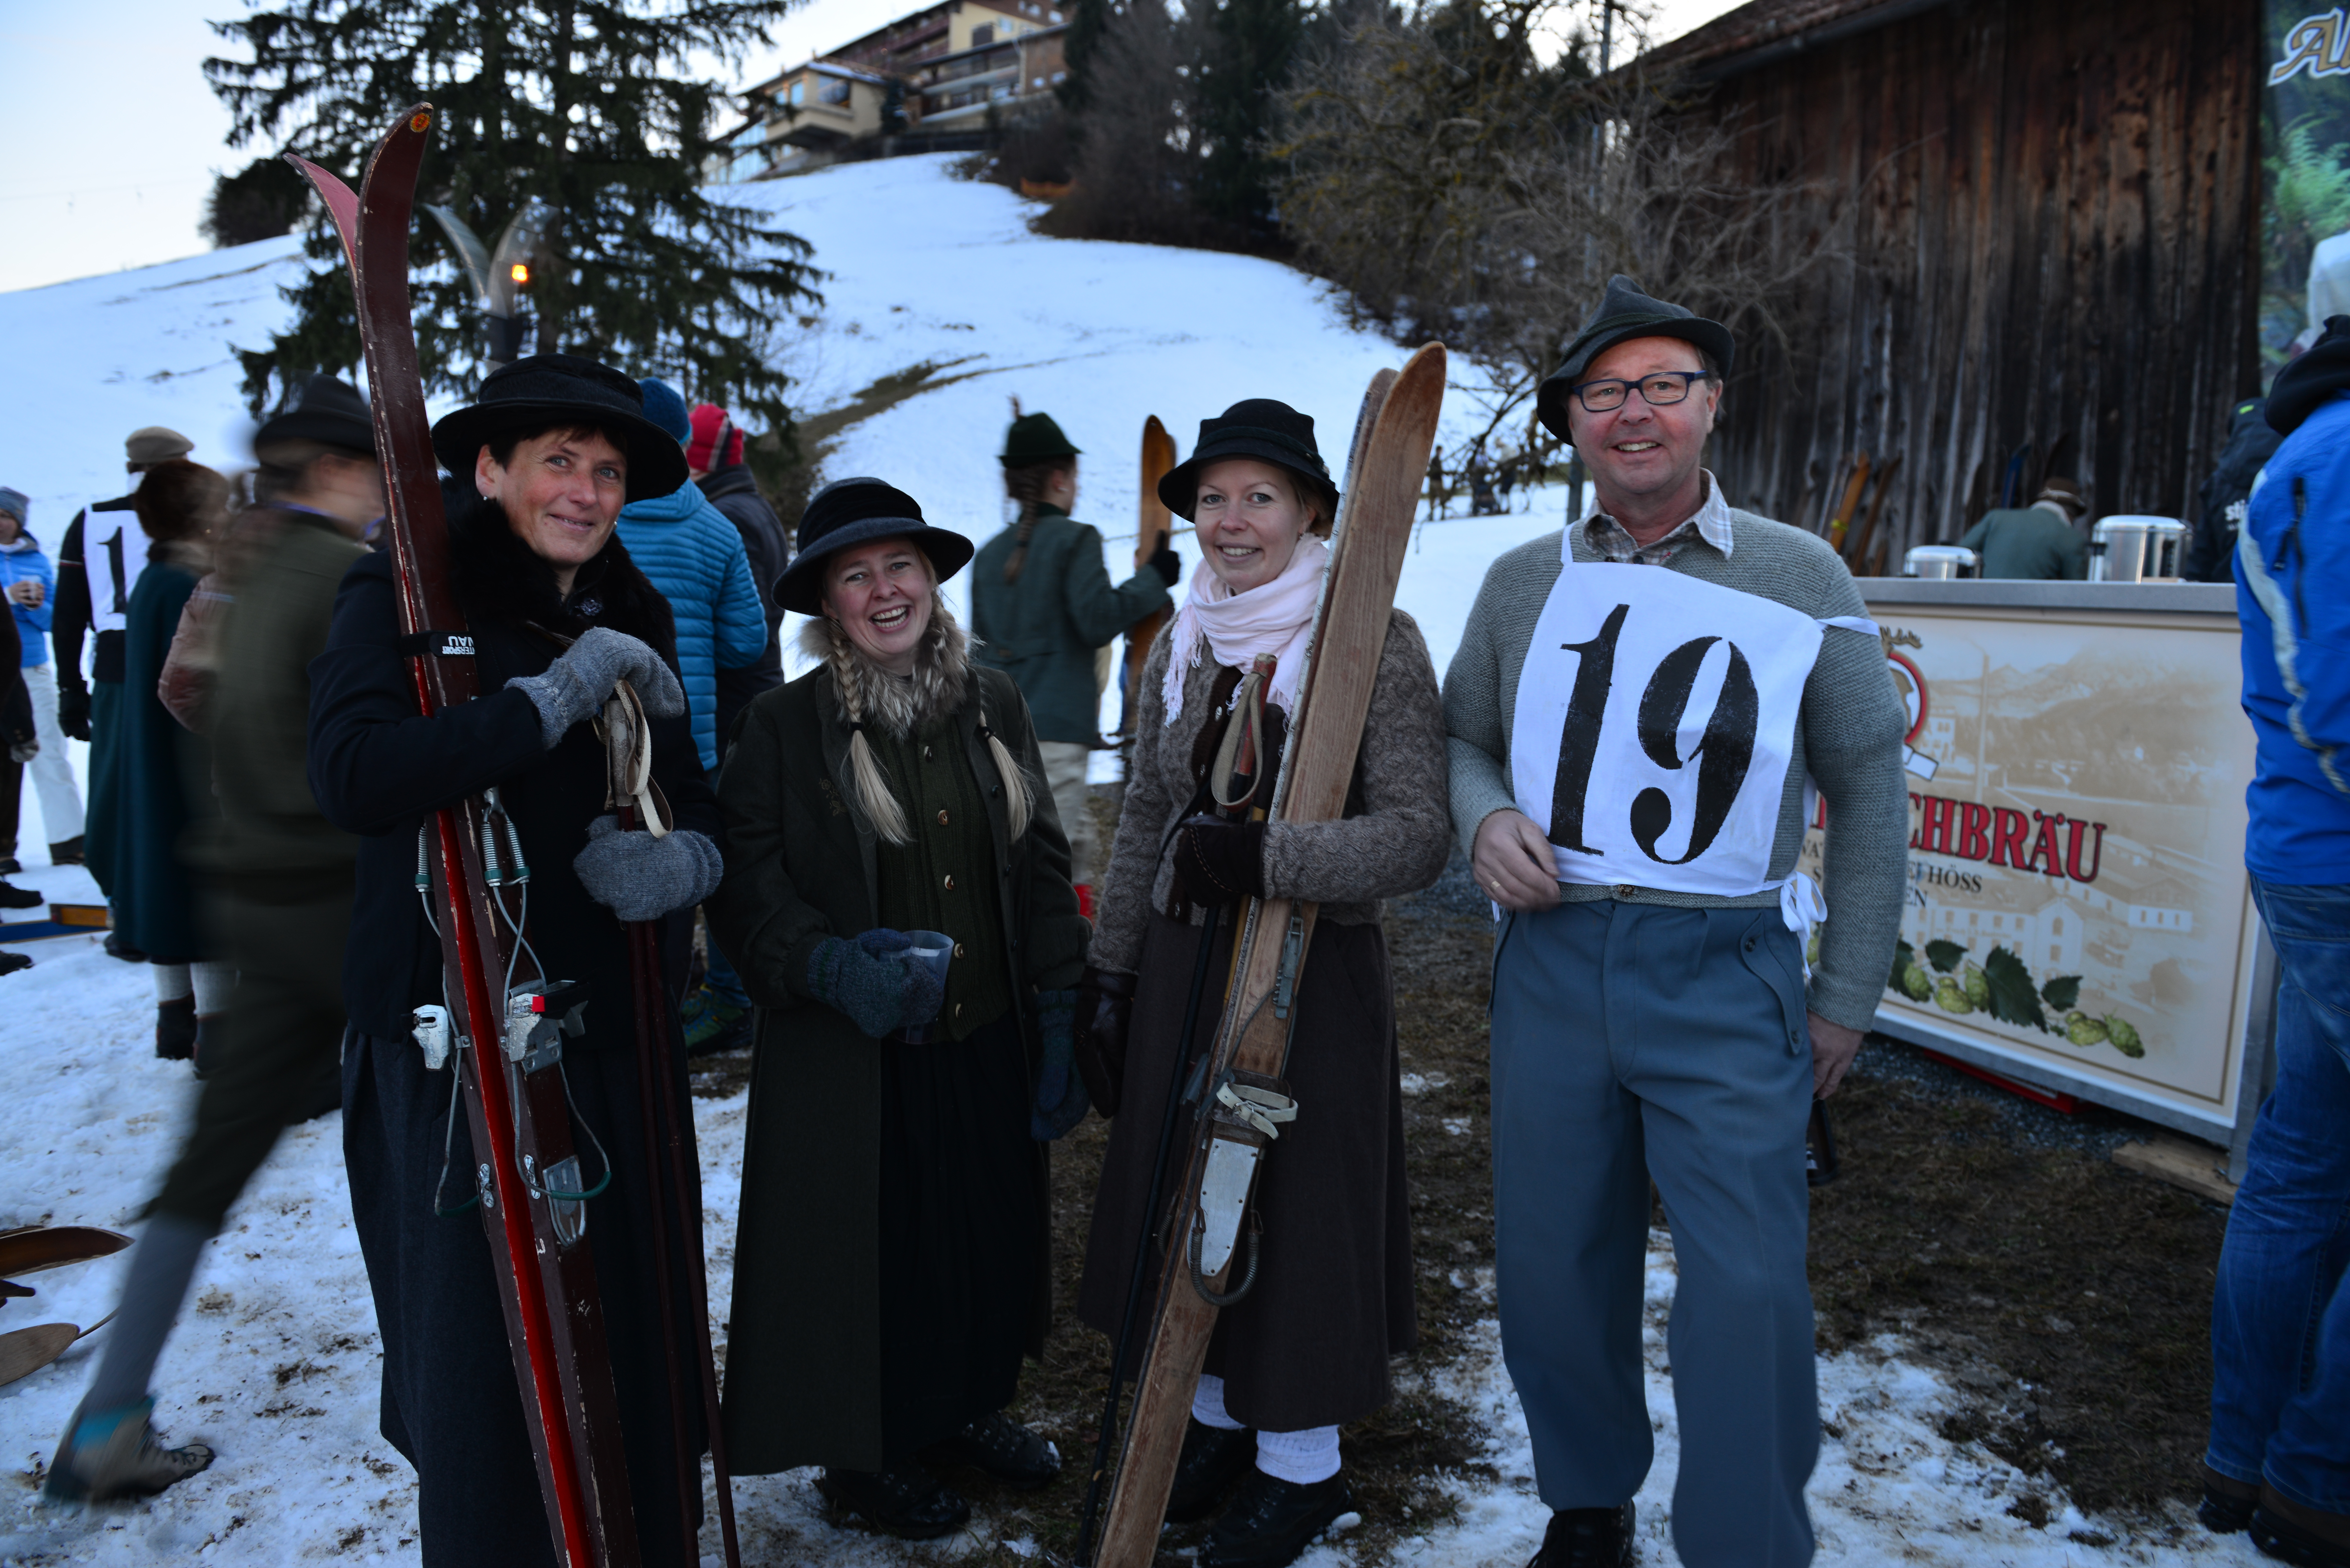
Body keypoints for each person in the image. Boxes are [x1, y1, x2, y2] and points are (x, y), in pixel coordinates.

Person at [1444, 275, 1909, 1567]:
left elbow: (1870, 786)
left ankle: (1746, 1541)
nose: (1632, 413)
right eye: (1603, 393)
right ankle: (1585, 1505)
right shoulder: (1518, 581)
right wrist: (1480, 821)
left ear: (1710, 406)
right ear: (1572, 424)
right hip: (1553, 962)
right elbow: (1463, 742)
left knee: (1748, 1284)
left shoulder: (1798, 572)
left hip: (1723, 969)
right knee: (1555, 1258)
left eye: (1662, 386)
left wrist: (1846, 995)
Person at [307, 354, 723, 1566]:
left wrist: (681, 861)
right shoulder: (397, 594)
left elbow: (688, 786)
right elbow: (360, 775)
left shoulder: (630, 609)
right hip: (460, 1049)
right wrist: (545, 704)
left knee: (626, 1341)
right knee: (497, 1363)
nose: (587, 492)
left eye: (606, 471)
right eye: (560, 461)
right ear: (488, 470)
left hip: (608, 1038)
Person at [1074, 399, 1451, 1568]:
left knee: (1287, 1218)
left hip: (1307, 973)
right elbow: (1145, 814)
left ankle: (1306, 1470)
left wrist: (1268, 857)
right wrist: (1113, 973)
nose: (1232, 522)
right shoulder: (1181, 640)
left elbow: (1415, 837)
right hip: (1188, 963)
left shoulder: (1372, 641)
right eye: (1214, 499)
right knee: (1194, 1197)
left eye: (1261, 498)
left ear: (1314, 513)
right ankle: (1226, 1423)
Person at [707, 477, 1089, 1539]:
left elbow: (1041, 862)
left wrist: (1058, 1012)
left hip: (985, 1035)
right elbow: (746, 884)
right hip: (857, 1053)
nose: (884, 589)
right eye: (856, 574)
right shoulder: (784, 725)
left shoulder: (993, 700)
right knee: (876, 1254)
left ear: (932, 579)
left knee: (978, 1234)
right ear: (828, 603)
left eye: (901, 566)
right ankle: (865, 1458)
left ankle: (962, 1409)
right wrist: (828, 968)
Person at [40, 376, 383, 1505]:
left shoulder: (238, 573)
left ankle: (108, 1420)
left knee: (205, 1170)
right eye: (371, 465)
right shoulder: (341, 577)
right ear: (335, 469)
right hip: (350, 908)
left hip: (256, 908)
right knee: (464, 1136)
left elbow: (191, 703)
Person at [2200, 314, 2350, 1566]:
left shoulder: (2299, 445)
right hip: (2341, 857)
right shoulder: (2345, 450)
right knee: (2302, 1162)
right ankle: (2323, 1472)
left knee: (2302, 1157)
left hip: (2311, 854)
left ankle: (2246, 1458)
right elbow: (2342, 691)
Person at [970, 409, 1177, 913]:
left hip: (994, 732)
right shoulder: (1077, 539)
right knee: (1050, 857)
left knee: (1067, 840)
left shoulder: (988, 555)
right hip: (1057, 733)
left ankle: (1075, 948)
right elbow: (1096, 619)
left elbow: (974, 654)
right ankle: (1055, 975)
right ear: (1061, 478)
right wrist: (1155, 579)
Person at [614, 380, 768, 1052]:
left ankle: (625, 1022)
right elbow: (746, 643)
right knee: (693, 883)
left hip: (604, 753)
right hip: (689, 750)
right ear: (683, 447)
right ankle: (680, 1013)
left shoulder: (595, 521)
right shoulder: (716, 527)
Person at [102, 459, 234, 1063]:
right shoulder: (191, 580)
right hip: (191, 755)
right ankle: (218, 1034)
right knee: (201, 888)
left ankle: (175, 1018)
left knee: (164, 878)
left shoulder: (154, 577)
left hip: (156, 754)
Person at [54, 427, 195, 920]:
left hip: (116, 668)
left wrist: (71, 685)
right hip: (181, 664)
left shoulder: (91, 519)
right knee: (174, 782)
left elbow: (69, 613)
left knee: (120, 783)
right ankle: (155, 896)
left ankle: (124, 894)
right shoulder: (192, 519)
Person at [687, 401, 791, 743]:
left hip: (739, 703)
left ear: (697, 460)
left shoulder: (726, 516)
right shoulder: (751, 504)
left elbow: (748, 627)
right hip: (758, 690)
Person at [0, 489, 83, 870]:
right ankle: (4, 851)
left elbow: (54, 621)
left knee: (50, 751)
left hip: (31, 667)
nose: (3, 521)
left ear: (20, 520)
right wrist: (7, 597)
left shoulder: (35, 560)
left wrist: (37, 604)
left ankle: (69, 841)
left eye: (8, 515)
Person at [2187, 395, 2283, 585]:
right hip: (2277, 600)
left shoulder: (2216, 485)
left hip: (2221, 596)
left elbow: (2201, 560)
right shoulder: (2292, 477)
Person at [1957, 475, 2089, 580]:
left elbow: (1960, 555)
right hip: (2031, 612)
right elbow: (2076, 591)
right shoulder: (2072, 538)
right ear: (2072, 514)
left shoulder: (1995, 517)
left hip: (1982, 604)